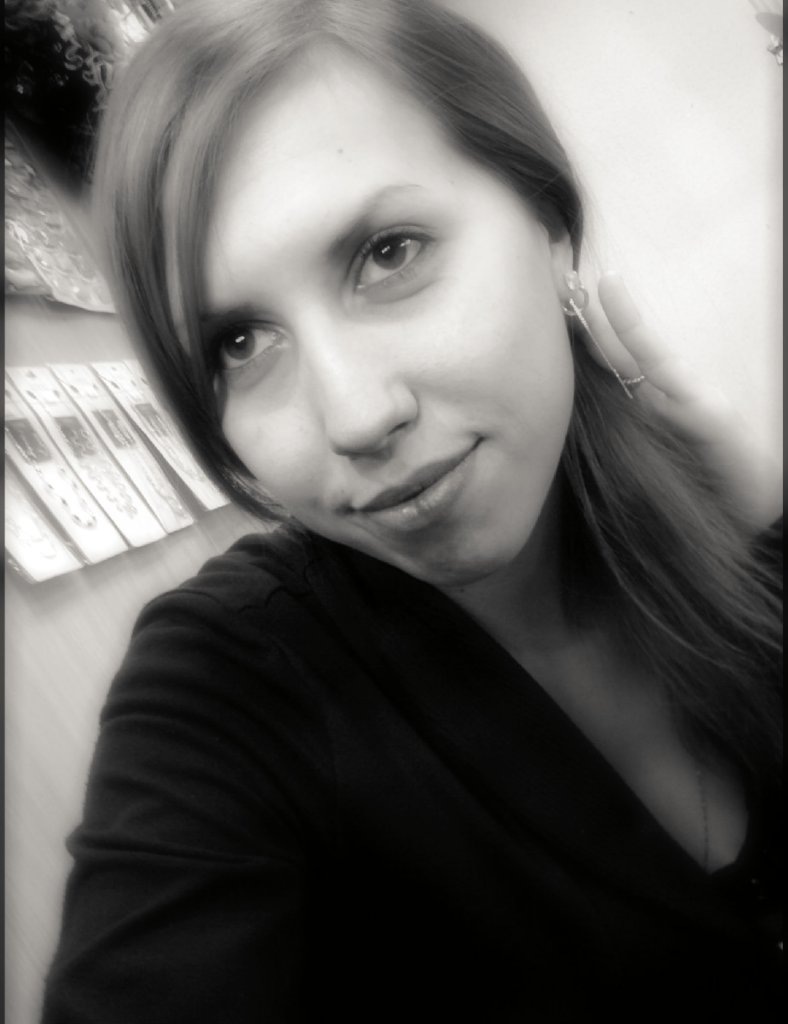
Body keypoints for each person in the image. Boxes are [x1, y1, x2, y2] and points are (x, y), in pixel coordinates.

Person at [41, 1, 782, 1021]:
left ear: (548, 228)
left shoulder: (711, 513)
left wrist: (764, 521)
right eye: (238, 344)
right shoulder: (230, 685)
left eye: (388, 253)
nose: (354, 415)